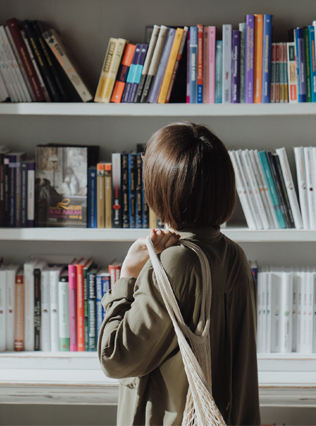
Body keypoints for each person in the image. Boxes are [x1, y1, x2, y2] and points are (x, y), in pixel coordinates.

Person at [98, 122, 261, 425]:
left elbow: (115, 358)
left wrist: (127, 276)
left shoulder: (174, 263)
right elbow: (243, 369)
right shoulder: (233, 254)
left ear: (161, 188)